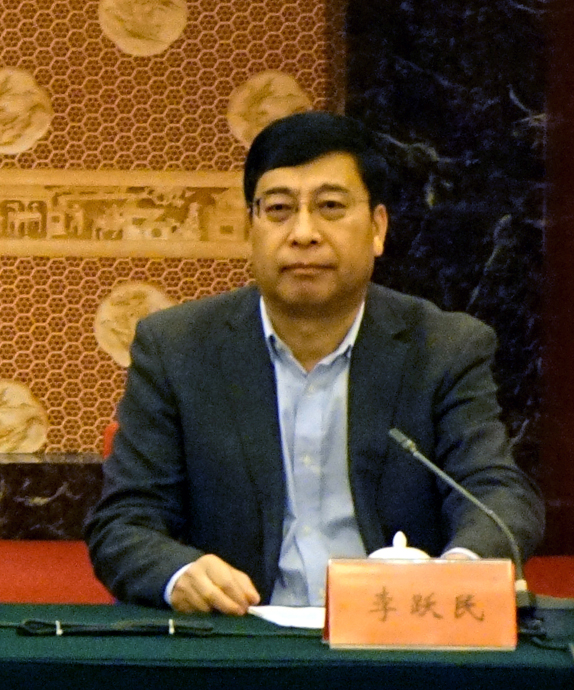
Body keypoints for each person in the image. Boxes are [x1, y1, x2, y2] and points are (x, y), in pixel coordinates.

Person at [85, 111, 545, 614]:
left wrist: (457, 572)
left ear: (377, 228)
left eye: (330, 207)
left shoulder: (444, 348)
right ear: (250, 228)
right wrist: (179, 573)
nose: (303, 233)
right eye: (279, 209)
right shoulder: (176, 348)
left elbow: (496, 494)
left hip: (391, 635)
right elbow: (123, 522)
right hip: (237, 633)